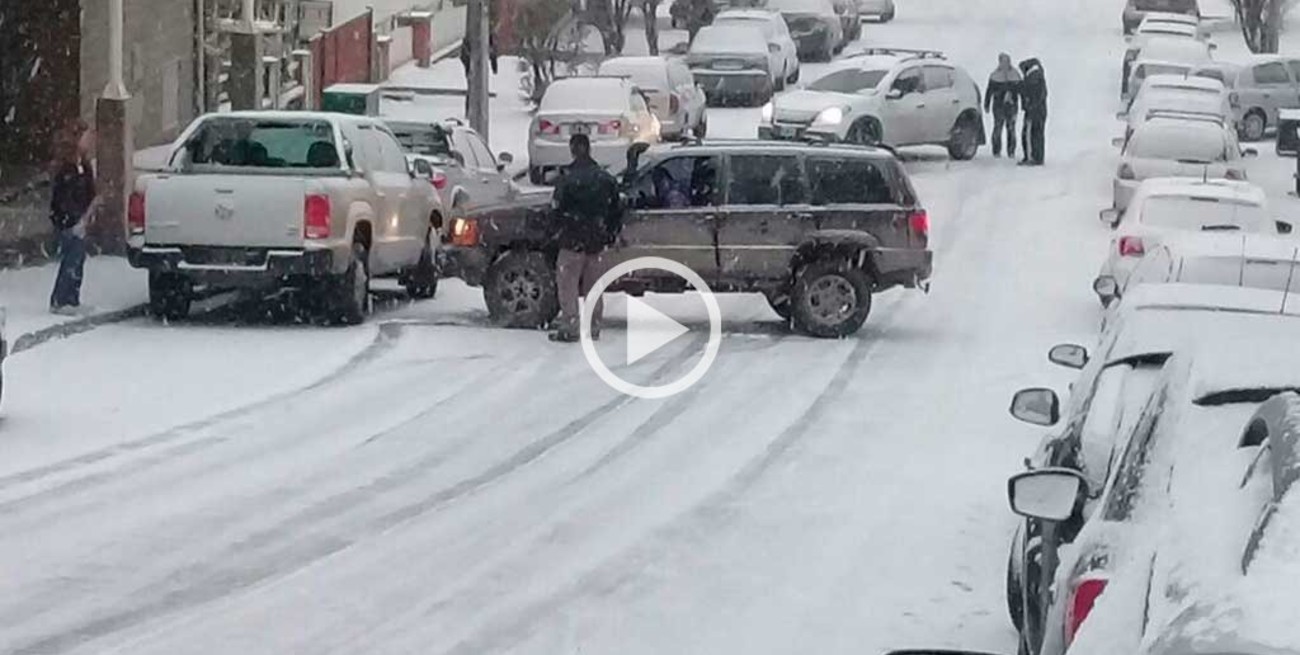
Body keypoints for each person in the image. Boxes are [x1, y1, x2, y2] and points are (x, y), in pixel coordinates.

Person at [550, 134, 623, 342]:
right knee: (594, 287)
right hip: (597, 243)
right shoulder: (605, 178)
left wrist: (558, 232)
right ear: (590, 149)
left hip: (572, 242)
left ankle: (571, 326)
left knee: (568, 286)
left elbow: (556, 209)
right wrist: (609, 233)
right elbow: (616, 210)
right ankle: (593, 327)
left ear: (572, 149)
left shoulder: (567, 178)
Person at [48, 119, 97, 315]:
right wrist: (74, 218)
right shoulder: (66, 168)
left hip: (80, 219)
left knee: (78, 259)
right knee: (71, 259)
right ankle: (60, 300)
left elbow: (88, 190)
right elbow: (64, 198)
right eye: (87, 137)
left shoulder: (83, 165)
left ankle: (72, 299)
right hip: (67, 220)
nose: (90, 141)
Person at [984, 53, 1022, 159]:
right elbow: (989, 91)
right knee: (998, 128)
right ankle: (996, 150)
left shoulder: (1015, 74)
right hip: (998, 106)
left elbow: (1021, 90)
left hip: (1012, 106)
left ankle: (1011, 151)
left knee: (1011, 128)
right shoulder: (994, 76)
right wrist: (986, 104)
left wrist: (1022, 102)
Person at [1019, 57, 1048, 166]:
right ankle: (1037, 158)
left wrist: (1029, 106)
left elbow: (1033, 95)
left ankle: (1031, 158)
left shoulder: (1033, 78)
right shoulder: (1038, 76)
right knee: (1037, 134)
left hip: (1034, 111)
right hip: (1040, 111)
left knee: (1030, 134)